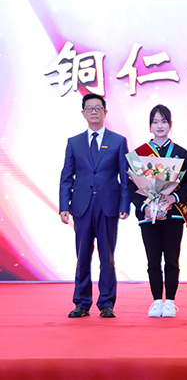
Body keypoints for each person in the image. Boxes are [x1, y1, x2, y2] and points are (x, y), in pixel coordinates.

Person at [59, 93, 130, 318]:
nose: (94, 112)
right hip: (82, 206)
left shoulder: (118, 141)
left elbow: (125, 176)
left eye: (98, 108)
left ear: (105, 112)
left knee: (107, 257)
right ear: (83, 113)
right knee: (82, 256)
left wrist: (125, 204)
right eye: (89, 108)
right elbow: (66, 177)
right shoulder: (74, 142)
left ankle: (107, 303)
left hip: (109, 205)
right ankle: (81, 302)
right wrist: (64, 205)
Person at [128, 105, 187, 318]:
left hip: (173, 214)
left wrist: (174, 198)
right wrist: (145, 206)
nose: (160, 125)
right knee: (152, 259)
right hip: (148, 216)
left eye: (164, 121)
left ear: (170, 125)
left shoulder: (181, 153)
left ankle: (170, 301)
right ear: (150, 126)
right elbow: (131, 187)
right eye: (155, 121)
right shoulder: (137, 155)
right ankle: (156, 301)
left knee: (171, 258)